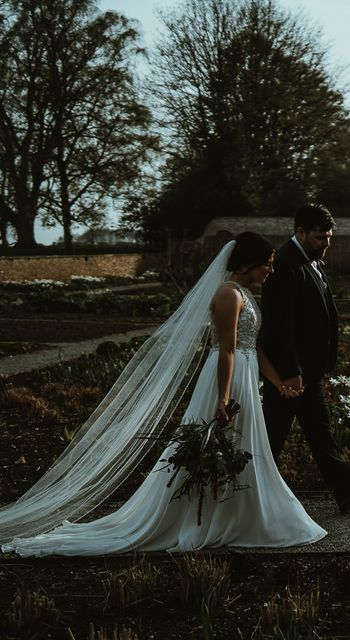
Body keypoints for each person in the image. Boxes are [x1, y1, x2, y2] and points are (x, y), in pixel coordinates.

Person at [0, 233, 326, 555]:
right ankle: (207, 517)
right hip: (226, 379)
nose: (271, 270)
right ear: (249, 262)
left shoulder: (245, 293)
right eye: (266, 264)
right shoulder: (229, 294)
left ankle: (236, 516)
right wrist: (223, 399)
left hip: (245, 372)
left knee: (241, 448)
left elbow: (253, 348)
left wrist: (280, 383)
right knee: (223, 445)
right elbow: (226, 351)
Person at [259, 204, 350, 512]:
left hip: (308, 370)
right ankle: (248, 494)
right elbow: (280, 326)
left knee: (320, 431)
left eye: (329, 237)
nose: (327, 244)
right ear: (300, 232)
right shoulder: (285, 265)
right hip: (290, 373)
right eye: (320, 238)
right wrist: (291, 371)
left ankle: (345, 491)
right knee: (272, 436)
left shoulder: (311, 260)